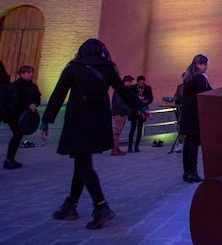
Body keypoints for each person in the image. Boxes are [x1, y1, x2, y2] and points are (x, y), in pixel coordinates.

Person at [39, 38, 146, 229]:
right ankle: (70, 205)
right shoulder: (108, 68)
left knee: (83, 163)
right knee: (81, 162)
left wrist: (46, 120)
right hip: (98, 122)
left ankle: (101, 206)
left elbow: (58, 94)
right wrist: (140, 107)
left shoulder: (73, 67)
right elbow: (123, 90)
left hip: (78, 121)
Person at [180, 54, 213, 183]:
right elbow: (208, 93)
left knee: (187, 145)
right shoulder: (199, 77)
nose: (207, 67)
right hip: (195, 117)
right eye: (206, 65)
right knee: (193, 145)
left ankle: (187, 172)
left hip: (187, 117)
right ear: (199, 64)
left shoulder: (188, 77)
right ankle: (192, 173)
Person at [3, 65, 42, 169]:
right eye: (28, 72)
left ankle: (10, 159)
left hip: (26, 115)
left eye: (32, 72)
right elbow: (14, 99)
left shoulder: (33, 86)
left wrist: (34, 104)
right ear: (21, 73)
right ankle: (9, 160)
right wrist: (27, 104)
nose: (31, 74)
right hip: (15, 115)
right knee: (17, 135)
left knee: (18, 136)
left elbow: (37, 97)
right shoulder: (15, 85)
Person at [128, 75, 153, 152]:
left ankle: (136, 146)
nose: (142, 84)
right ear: (137, 82)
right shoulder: (132, 88)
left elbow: (151, 98)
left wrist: (146, 101)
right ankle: (129, 147)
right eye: (140, 83)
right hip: (134, 111)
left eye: (143, 83)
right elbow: (129, 98)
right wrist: (136, 100)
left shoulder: (148, 88)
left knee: (140, 129)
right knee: (132, 128)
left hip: (143, 110)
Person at [110, 75, 134, 155]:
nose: (130, 84)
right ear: (126, 82)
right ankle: (114, 149)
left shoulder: (121, 90)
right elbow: (120, 103)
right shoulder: (121, 90)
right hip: (120, 113)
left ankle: (116, 148)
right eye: (130, 82)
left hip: (120, 112)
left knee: (117, 132)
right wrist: (126, 111)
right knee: (116, 132)